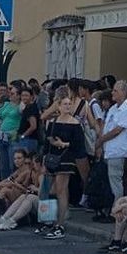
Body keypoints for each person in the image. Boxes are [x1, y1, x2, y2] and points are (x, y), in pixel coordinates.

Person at [41, 82, 85, 236]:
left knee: (61, 190)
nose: (67, 106)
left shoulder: (75, 123)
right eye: (64, 104)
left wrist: (63, 143)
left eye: (69, 104)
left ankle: (60, 224)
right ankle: (48, 220)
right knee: (48, 190)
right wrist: (45, 158)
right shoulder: (53, 122)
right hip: (52, 159)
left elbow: (79, 145)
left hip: (67, 159)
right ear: (58, 106)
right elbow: (47, 141)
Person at [98, 79, 127, 206]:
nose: (112, 93)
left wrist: (101, 140)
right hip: (109, 150)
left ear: (123, 92)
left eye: (115, 90)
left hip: (118, 151)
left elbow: (117, 130)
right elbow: (107, 126)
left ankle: (118, 208)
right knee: (110, 181)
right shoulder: (114, 108)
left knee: (116, 182)